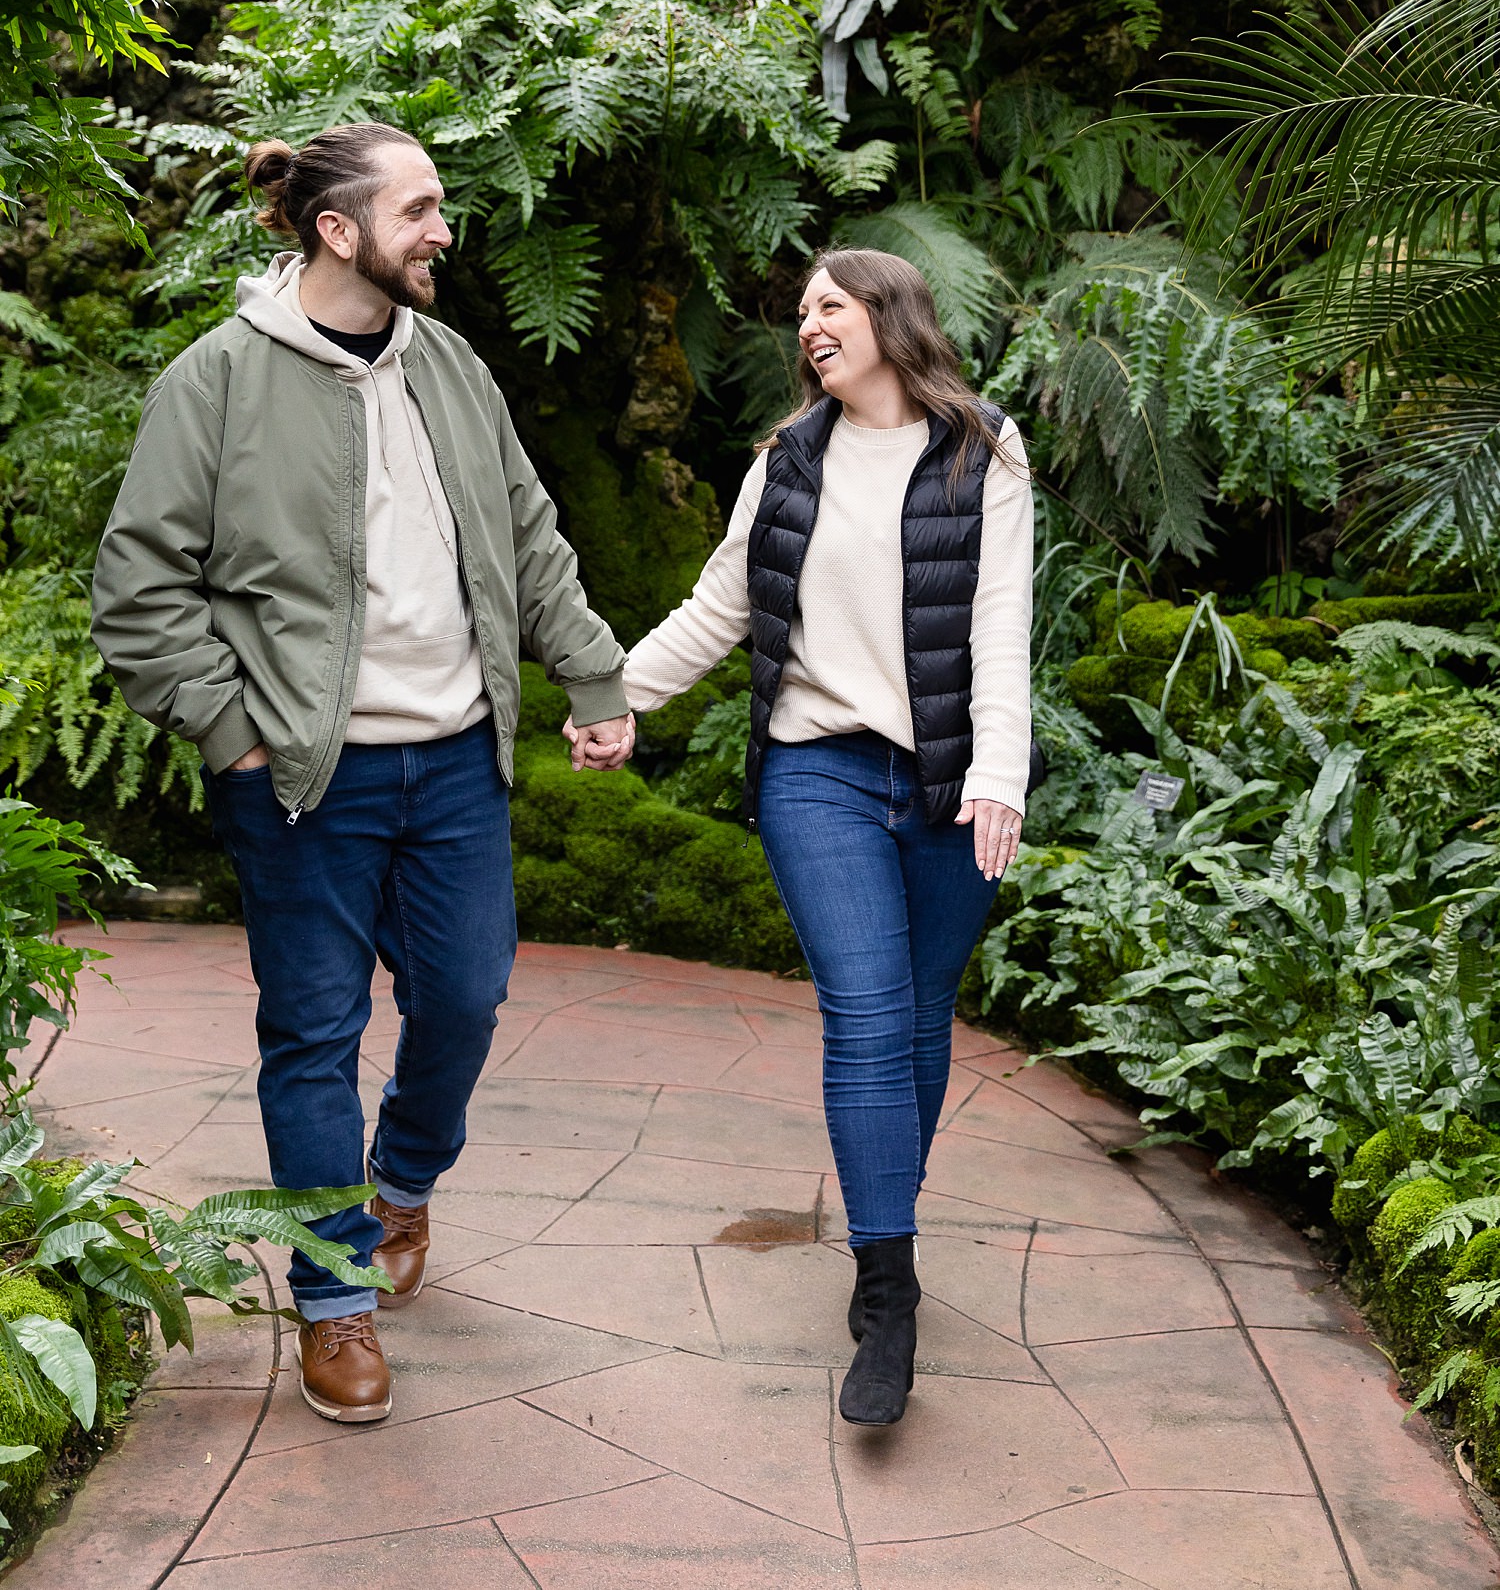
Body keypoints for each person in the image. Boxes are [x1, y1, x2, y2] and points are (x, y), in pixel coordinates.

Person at [92, 122, 633, 1426]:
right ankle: (333, 1302)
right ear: (339, 230)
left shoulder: (449, 366)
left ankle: (402, 1183)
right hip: (301, 780)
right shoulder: (216, 381)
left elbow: (528, 533)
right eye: (421, 208)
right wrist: (233, 728)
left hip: (455, 761)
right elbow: (138, 588)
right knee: (312, 1035)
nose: (444, 229)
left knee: (465, 994)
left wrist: (592, 674)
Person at [610, 247, 1032, 1427]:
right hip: (819, 772)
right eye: (801, 312)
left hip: (948, 781)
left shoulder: (982, 451)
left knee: (917, 1016)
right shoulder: (785, 463)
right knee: (866, 1011)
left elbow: (1001, 623)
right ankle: (888, 1289)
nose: (808, 327)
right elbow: (719, 608)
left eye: (829, 307)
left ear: (890, 317)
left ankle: (887, 1211)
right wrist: (617, 696)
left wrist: (999, 773)